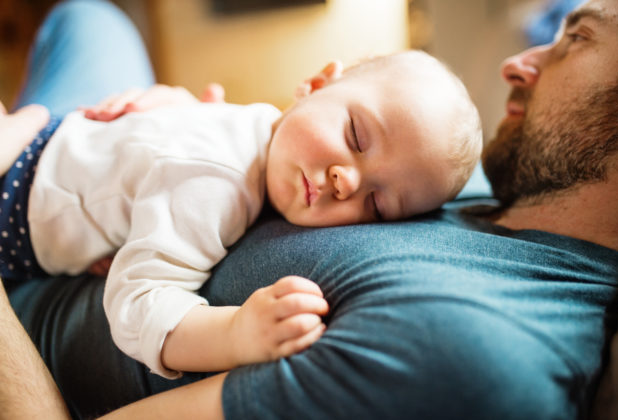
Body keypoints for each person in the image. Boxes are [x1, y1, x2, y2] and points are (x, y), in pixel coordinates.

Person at [2, 0, 618, 418]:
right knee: (90, 16)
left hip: (24, 260)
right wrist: (189, 128)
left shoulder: (473, 351)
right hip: (101, 165)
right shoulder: (479, 174)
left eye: (577, 38)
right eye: (358, 137)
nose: (517, 62)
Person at [0, 5, 482, 380]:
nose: (347, 181)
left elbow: (140, 294)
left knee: (88, 16)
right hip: (22, 173)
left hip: (34, 179)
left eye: (376, 204)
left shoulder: (245, 162)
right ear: (316, 84)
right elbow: (135, 306)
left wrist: (237, 334)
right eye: (356, 135)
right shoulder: (219, 183)